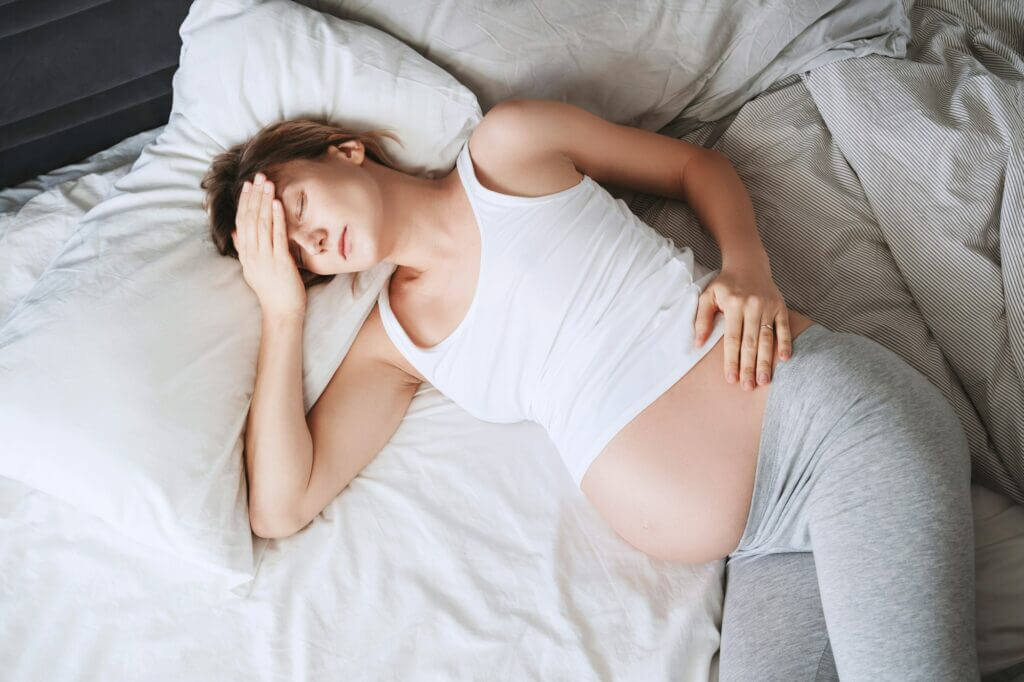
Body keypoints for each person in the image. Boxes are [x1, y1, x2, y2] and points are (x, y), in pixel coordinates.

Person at [201, 100, 980, 680]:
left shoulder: (506, 151)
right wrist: (282, 310)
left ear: (345, 152)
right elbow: (280, 503)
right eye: (298, 254)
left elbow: (691, 166)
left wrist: (747, 266)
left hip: (833, 436)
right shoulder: (395, 346)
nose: (314, 240)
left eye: (298, 205)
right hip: (763, 545)